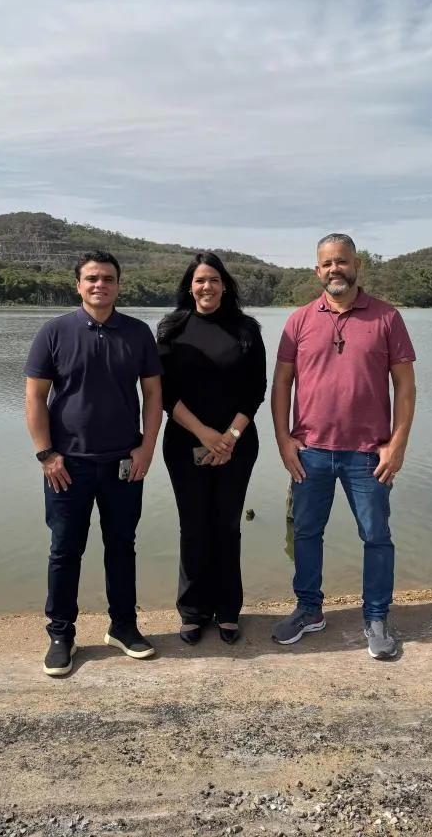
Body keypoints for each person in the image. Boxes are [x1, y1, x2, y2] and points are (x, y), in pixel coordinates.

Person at [271, 233, 416, 659]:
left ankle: (375, 617)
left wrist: (398, 444)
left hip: (368, 453)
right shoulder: (298, 320)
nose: (335, 269)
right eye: (327, 263)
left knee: (375, 535)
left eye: (343, 262)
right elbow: (281, 384)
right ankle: (310, 609)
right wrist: (284, 440)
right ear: (317, 271)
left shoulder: (387, 318)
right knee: (306, 532)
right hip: (310, 450)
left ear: (357, 265)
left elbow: (405, 387)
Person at [25, 250, 163, 676]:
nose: (99, 284)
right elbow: (35, 396)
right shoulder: (55, 332)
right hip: (68, 466)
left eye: (107, 278)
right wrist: (46, 454)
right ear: (78, 285)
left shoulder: (138, 333)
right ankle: (61, 634)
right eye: (91, 278)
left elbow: (154, 395)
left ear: (119, 285)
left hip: (124, 462)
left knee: (122, 546)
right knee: (65, 550)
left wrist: (146, 447)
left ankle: (122, 626)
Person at [157, 252, 266, 646]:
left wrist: (229, 439)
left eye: (214, 280)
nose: (207, 287)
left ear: (225, 286)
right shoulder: (171, 329)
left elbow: (255, 391)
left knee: (227, 525)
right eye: (200, 280)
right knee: (193, 526)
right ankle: (192, 611)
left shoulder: (246, 329)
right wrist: (204, 434)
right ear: (190, 285)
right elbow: (165, 394)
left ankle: (227, 610)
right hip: (185, 442)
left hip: (237, 445)